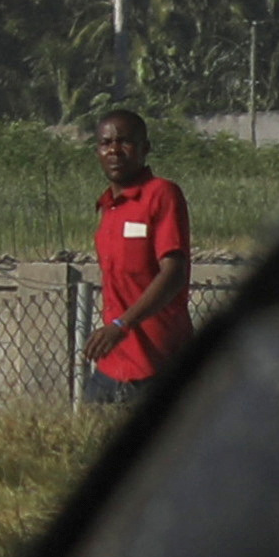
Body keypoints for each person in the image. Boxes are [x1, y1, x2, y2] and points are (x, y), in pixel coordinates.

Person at [84, 107, 191, 406]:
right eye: (106, 143)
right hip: (112, 368)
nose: (115, 150)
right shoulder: (109, 207)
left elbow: (173, 273)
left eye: (125, 141)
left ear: (145, 148)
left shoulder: (162, 194)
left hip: (158, 366)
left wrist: (122, 325)